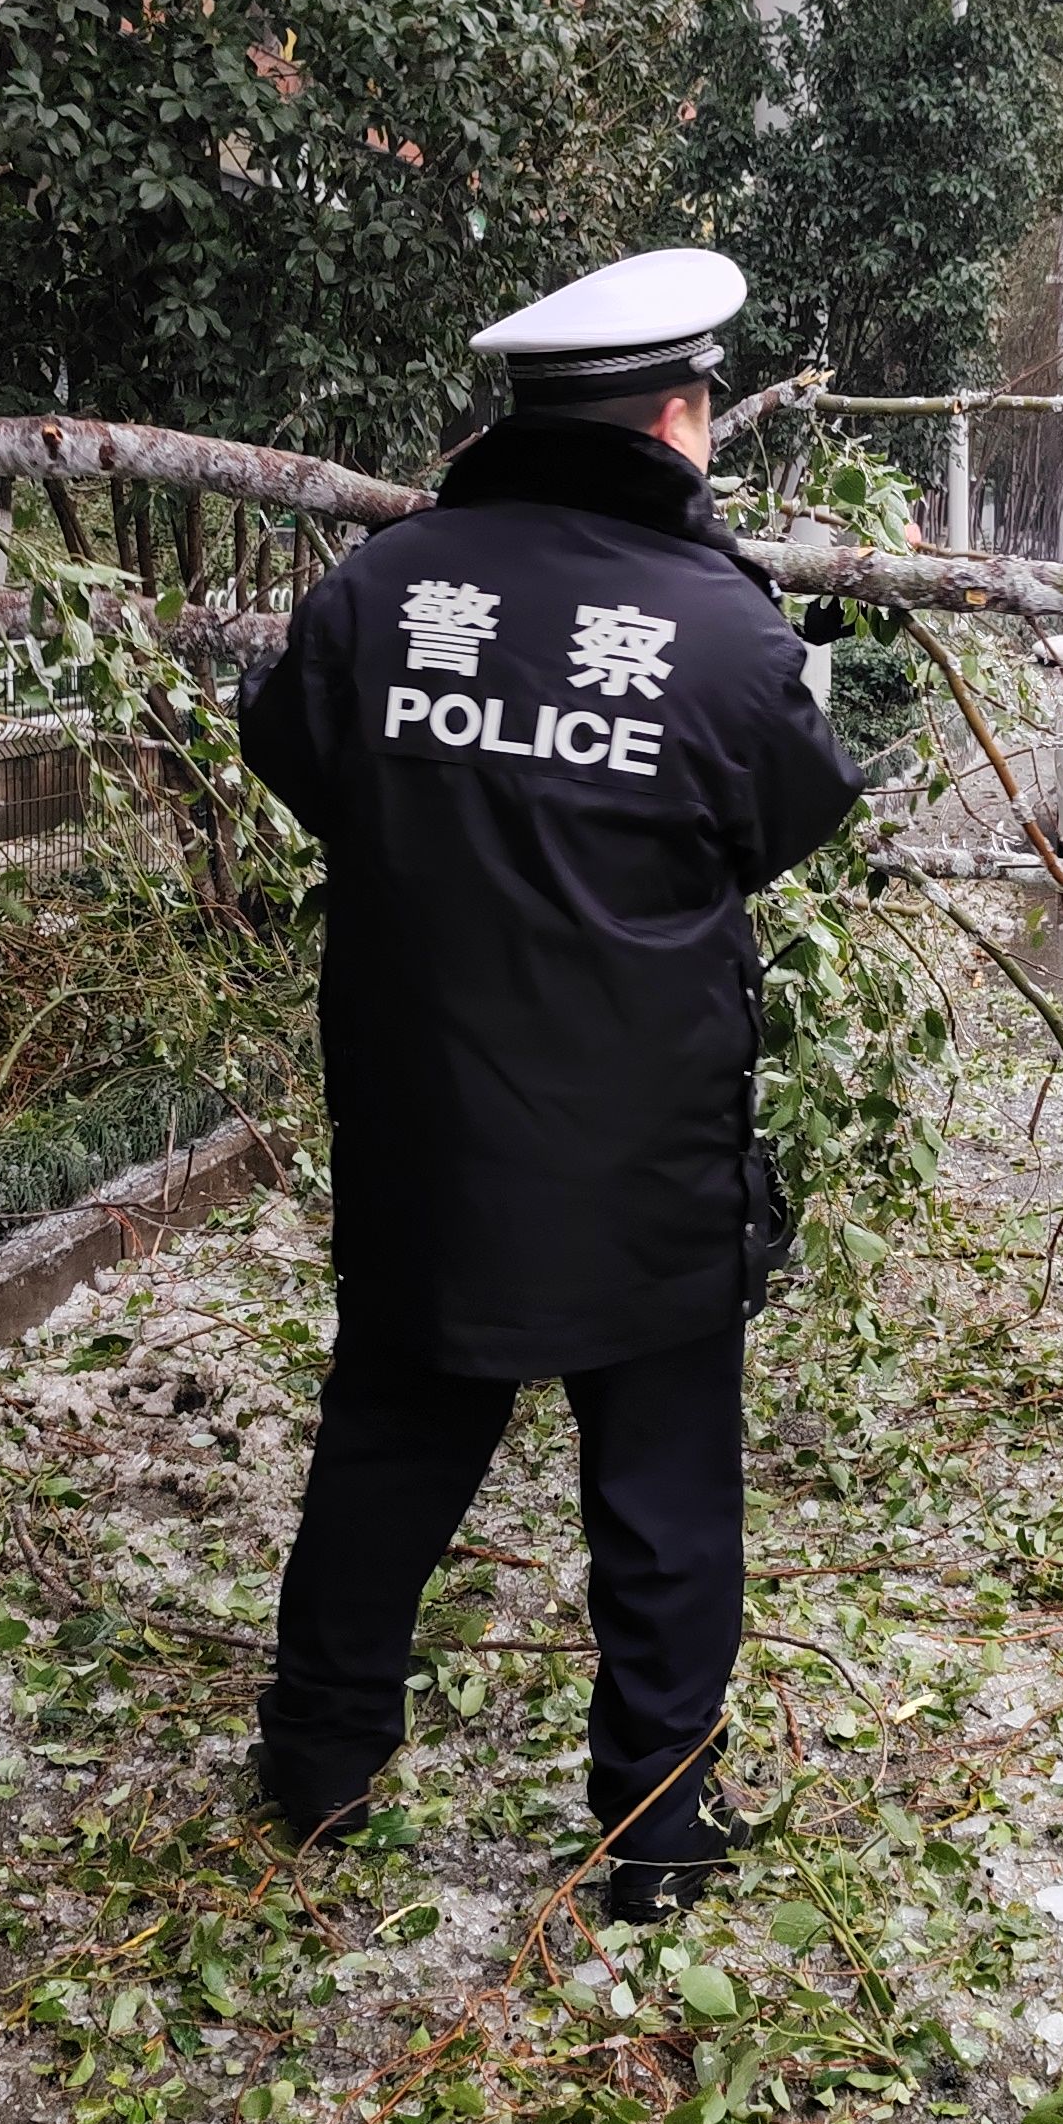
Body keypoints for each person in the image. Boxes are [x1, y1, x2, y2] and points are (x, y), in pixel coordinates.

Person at [237, 248, 864, 1922]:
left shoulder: (380, 595)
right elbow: (790, 821)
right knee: (658, 1498)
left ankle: (316, 1765)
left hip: (425, 1133)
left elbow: (294, 752)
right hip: (642, 1160)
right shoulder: (728, 635)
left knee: (384, 1451)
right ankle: (652, 1835)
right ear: (677, 418)